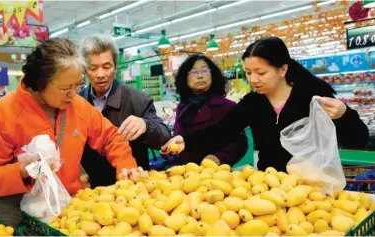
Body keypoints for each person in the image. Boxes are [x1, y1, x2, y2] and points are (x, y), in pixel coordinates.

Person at [0, 38, 144, 228]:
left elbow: (110, 137)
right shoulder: (3, 114)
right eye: (65, 88)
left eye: (78, 86)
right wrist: (21, 171)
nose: (73, 94)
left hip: (67, 211)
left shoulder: (78, 107)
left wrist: (126, 165)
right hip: (16, 214)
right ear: (40, 82)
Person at [164, 37, 369, 172]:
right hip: (269, 187)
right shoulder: (253, 103)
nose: (253, 80)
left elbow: (358, 139)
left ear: (282, 70)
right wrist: (187, 141)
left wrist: (345, 115)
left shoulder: (313, 97)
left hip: (312, 187)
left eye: (261, 73)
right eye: (248, 73)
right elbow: (221, 132)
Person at [79, 35, 171, 187]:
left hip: (132, 188)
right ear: (84, 70)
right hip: (91, 191)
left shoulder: (138, 100)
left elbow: (164, 136)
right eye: (93, 68)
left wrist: (146, 125)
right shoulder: (77, 102)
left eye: (106, 66)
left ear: (115, 67)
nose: (100, 74)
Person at [161, 54, 248, 166]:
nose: (200, 76)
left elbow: (240, 143)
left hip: (216, 175)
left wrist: (219, 157)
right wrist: (171, 150)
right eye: (193, 72)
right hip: (185, 173)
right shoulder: (183, 107)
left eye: (204, 70)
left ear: (213, 75)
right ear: (185, 78)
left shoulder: (227, 106)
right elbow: (181, 137)